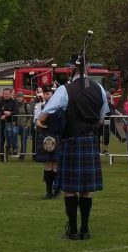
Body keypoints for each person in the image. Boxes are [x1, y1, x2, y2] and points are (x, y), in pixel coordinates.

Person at [37, 54, 110, 240]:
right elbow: (102, 117)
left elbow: (46, 113)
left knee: (70, 187)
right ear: (87, 69)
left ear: (72, 69)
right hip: (90, 140)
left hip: (71, 141)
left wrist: (41, 122)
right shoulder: (99, 88)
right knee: (86, 188)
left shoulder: (64, 90)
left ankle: (73, 230)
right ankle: (85, 229)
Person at [33, 86, 63, 199]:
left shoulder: (59, 107)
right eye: (44, 94)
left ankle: (57, 190)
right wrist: (43, 125)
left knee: (55, 165)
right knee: (47, 165)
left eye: (48, 94)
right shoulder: (40, 105)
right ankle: (48, 191)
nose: (46, 96)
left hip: (56, 135)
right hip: (45, 135)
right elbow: (36, 120)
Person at [0, 88, 17, 160]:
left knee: (9, 136)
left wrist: (9, 114)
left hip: (9, 123)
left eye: (7, 94)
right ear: (3, 94)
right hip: (0, 123)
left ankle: (8, 149)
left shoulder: (14, 102)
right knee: (1, 140)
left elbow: (16, 111)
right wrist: (3, 113)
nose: (6, 95)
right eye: (5, 94)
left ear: (10, 94)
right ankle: (2, 156)